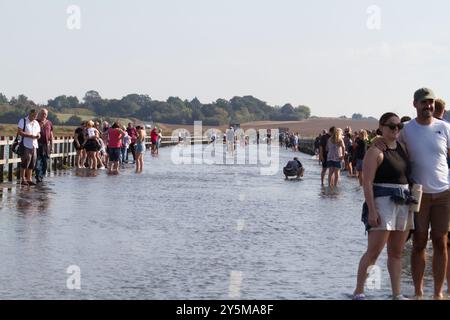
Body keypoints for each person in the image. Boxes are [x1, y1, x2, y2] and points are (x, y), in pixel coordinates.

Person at [373, 89, 450, 299]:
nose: (428, 106)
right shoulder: (406, 129)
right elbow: (388, 141)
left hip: (444, 193)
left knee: (441, 242)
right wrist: (376, 141)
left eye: (431, 102)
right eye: (424, 102)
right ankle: (418, 293)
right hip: (418, 194)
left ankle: (438, 293)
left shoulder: (444, 128)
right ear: (415, 104)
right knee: (418, 242)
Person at [353, 112, 413, 300]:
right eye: (391, 126)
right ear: (381, 127)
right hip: (382, 202)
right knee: (374, 251)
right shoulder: (375, 151)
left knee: (396, 252)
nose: (396, 129)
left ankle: (397, 294)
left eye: (398, 126)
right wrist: (371, 210)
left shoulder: (403, 147)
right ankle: (359, 291)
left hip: (403, 201)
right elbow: (367, 183)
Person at [17, 109, 41, 186]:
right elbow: (19, 132)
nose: (34, 117)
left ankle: (29, 179)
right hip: (25, 144)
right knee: (25, 162)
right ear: (30, 113)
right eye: (33, 115)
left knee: (32, 162)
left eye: (36, 116)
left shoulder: (36, 122)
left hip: (34, 144)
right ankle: (23, 179)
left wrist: (38, 136)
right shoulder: (23, 120)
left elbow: (38, 132)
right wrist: (30, 136)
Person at [35, 108, 53, 183]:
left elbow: (51, 135)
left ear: (47, 115)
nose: (43, 115)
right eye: (42, 113)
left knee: (45, 162)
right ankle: (38, 176)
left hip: (46, 145)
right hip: (37, 144)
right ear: (39, 114)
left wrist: (52, 146)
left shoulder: (49, 123)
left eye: (45, 114)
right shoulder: (36, 122)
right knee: (38, 161)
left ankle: (41, 175)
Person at [326, 127, 345, 192]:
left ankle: (331, 185)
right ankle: (333, 185)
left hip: (333, 157)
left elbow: (327, 148)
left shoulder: (333, 139)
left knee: (332, 172)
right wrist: (342, 155)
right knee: (334, 172)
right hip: (335, 157)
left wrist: (342, 155)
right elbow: (343, 147)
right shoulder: (337, 139)